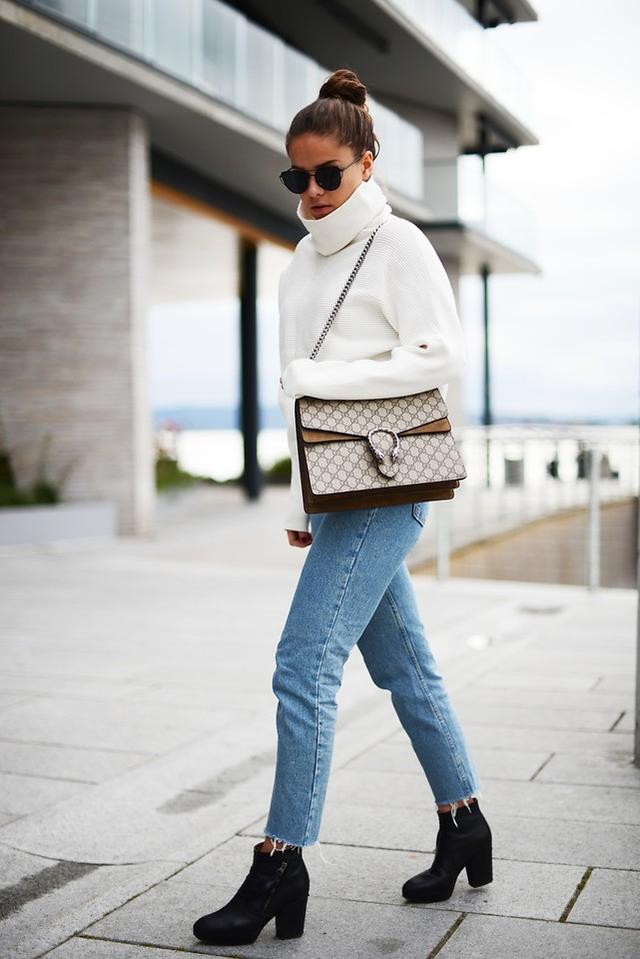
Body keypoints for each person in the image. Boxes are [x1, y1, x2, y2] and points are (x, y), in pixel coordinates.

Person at [193, 67, 492, 949]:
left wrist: (327, 376)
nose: (314, 191)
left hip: (391, 488)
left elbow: (441, 356)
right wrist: (301, 498)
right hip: (336, 494)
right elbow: (299, 403)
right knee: (407, 670)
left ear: (367, 163)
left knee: (303, 663)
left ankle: (281, 859)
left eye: (330, 173)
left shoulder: (400, 245)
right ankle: (465, 821)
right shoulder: (299, 263)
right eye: (300, 175)